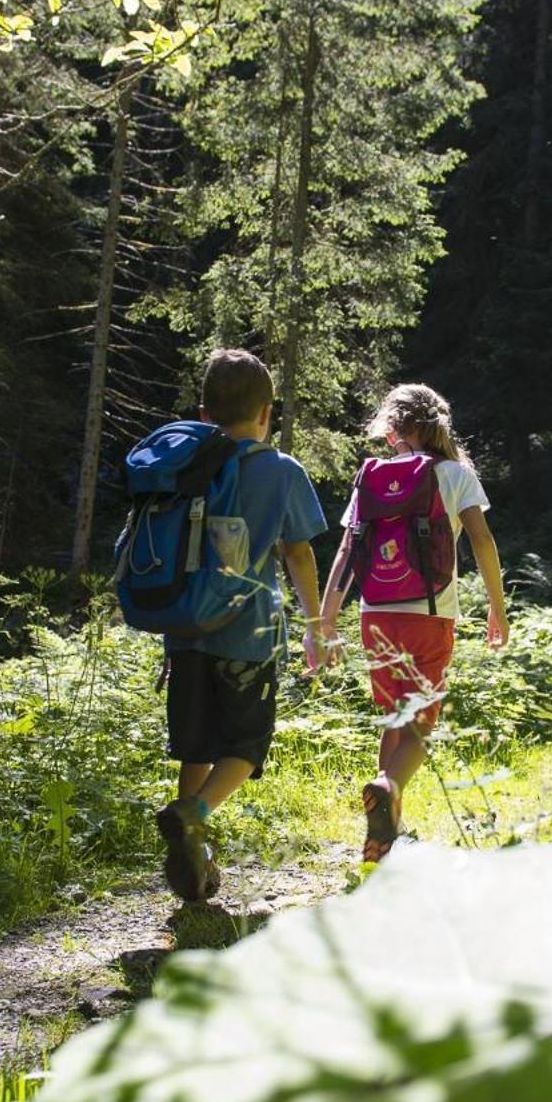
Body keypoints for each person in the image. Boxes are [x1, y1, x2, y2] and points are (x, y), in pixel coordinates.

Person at [153, 349, 331, 901]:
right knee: (247, 746)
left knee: (196, 746)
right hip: (248, 634)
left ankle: (195, 858)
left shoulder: (187, 465)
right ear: (266, 412)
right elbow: (298, 552)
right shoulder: (280, 470)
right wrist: (317, 624)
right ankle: (193, 815)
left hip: (184, 630)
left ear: (205, 413)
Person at [318, 384, 508, 864]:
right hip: (430, 614)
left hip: (374, 613)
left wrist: (325, 619)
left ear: (391, 433)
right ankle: (387, 787)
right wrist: (496, 604)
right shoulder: (455, 475)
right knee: (421, 724)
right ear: (438, 427)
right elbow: (482, 541)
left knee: (393, 717)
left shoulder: (371, 478)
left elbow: (346, 551)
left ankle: (386, 835)